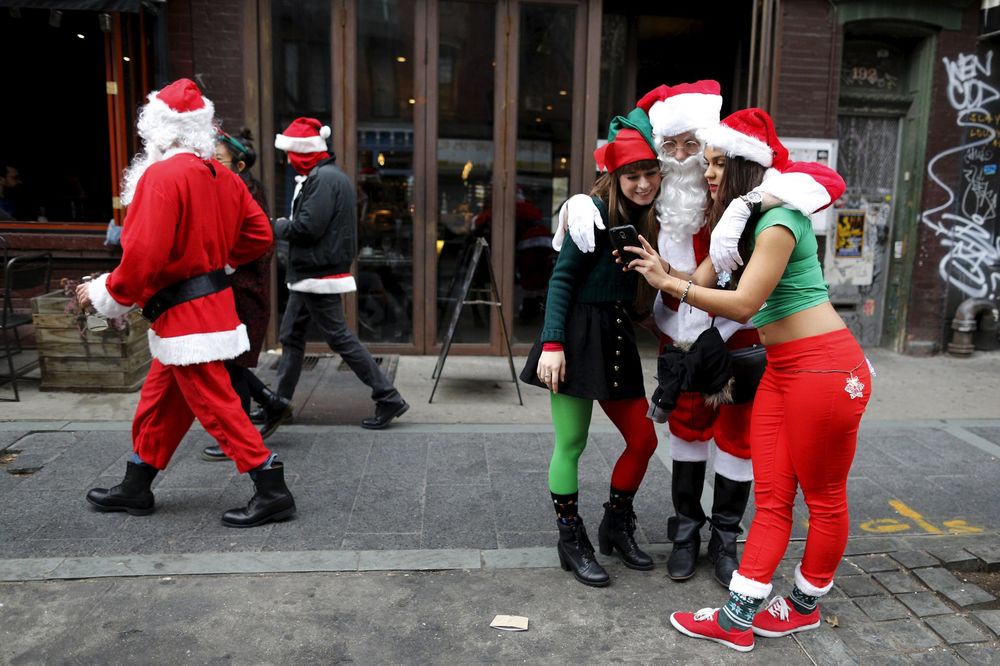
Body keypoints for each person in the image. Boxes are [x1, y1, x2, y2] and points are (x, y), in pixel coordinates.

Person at [559, 80, 845, 587]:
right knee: (686, 433)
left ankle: (726, 539)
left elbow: (822, 180)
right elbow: (619, 168)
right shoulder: (656, 190)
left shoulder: (748, 195)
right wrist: (578, 202)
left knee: (737, 441)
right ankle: (686, 533)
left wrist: (751, 199)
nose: (687, 159)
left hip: (740, 338)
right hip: (678, 337)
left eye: (696, 147)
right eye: (671, 147)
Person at [625, 108, 872, 652]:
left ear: (744, 166)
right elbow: (695, 280)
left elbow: (741, 304)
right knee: (776, 497)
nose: (708, 173)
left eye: (718, 162)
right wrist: (659, 273)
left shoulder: (779, 222)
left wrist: (678, 286)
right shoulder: (735, 224)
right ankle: (739, 617)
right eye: (707, 162)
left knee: (824, 497)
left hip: (827, 369)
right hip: (784, 371)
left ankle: (804, 606)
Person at [79, 79, 296, 528]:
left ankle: (271, 487)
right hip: (206, 308)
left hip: (184, 317)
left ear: (157, 129)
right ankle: (136, 485)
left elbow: (142, 258)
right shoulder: (224, 176)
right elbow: (259, 236)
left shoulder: (162, 176)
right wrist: (217, 262)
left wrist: (105, 293)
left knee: (218, 407)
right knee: (159, 403)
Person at [520, 108, 662, 587]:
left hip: (616, 335)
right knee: (572, 443)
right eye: (633, 175)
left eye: (649, 174)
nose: (642, 183)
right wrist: (553, 344)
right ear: (616, 174)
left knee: (644, 439)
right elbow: (560, 282)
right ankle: (570, 537)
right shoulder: (591, 212)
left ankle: (615, 524)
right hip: (576, 337)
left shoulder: (650, 217)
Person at [268, 117, 408, 432]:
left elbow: (307, 228)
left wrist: (275, 225)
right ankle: (279, 403)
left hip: (316, 274)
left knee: (338, 338)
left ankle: (388, 396)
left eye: (292, 152)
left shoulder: (322, 180)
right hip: (313, 273)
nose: (288, 159)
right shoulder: (326, 177)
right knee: (292, 336)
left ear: (304, 151)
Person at [201, 129, 292, 462]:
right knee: (229, 363)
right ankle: (271, 403)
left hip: (244, 292)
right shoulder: (232, 187)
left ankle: (238, 438)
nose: (212, 163)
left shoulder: (245, 192)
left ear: (239, 165)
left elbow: (261, 243)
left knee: (231, 363)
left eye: (219, 159)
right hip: (234, 289)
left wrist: (227, 263)